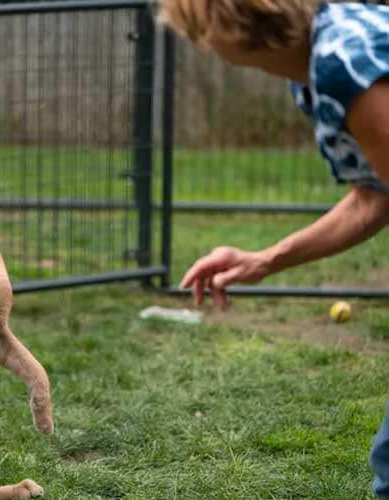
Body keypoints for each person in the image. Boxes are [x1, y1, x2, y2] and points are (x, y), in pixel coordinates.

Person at [157, 0, 389, 496]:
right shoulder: (315, 68)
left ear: (232, 20)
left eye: (198, 30)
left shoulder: (343, 64)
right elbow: (374, 198)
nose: (201, 45)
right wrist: (265, 260)